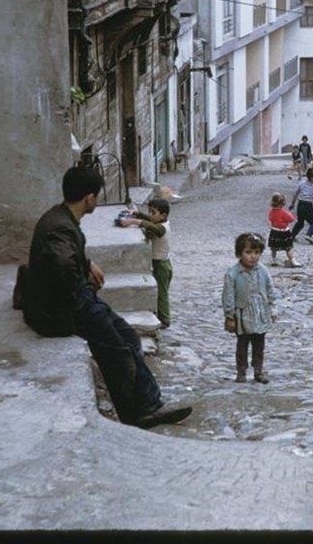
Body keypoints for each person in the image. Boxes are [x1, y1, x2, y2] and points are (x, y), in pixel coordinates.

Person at [21, 165, 191, 429]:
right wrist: (82, 292)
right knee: (118, 350)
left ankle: (147, 405)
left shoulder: (59, 217)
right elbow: (63, 264)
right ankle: (137, 413)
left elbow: (67, 253)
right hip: (61, 309)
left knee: (128, 336)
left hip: (72, 301)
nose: (97, 200)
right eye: (96, 196)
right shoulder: (61, 228)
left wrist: (87, 264)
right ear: (89, 198)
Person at [223, 233, 279, 383]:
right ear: (239, 253)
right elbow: (228, 295)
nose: (252, 256)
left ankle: (258, 370)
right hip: (242, 314)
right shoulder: (233, 273)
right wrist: (229, 316)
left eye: (256, 253)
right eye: (248, 252)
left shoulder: (263, 271)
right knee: (242, 343)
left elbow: (270, 289)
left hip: (260, 312)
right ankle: (241, 371)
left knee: (259, 343)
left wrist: (272, 308)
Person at [119, 197, 173, 329]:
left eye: (153, 212)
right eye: (149, 211)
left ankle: (165, 319)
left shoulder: (162, 228)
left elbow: (153, 227)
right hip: (160, 264)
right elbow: (149, 221)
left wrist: (135, 221)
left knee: (162, 294)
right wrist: (136, 214)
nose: (150, 215)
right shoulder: (160, 222)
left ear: (163, 215)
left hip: (162, 265)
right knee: (159, 291)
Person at [267, 192, 302, 268]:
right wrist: (289, 214)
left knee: (274, 247)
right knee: (288, 247)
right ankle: (293, 260)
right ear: (283, 203)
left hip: (274, 231)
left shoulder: (271, 211)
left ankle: (274, 259)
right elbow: (291, 219)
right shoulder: (283, 212)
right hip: (284, 232)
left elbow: (270, 219)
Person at [289, 166, 313, 245]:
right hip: (308, 205)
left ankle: (292, 236)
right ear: (312, 178)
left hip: (300, 204)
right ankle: (308, 235)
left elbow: (295, 193)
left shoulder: (302, 183)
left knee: (300, 222)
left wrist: (292, 204)